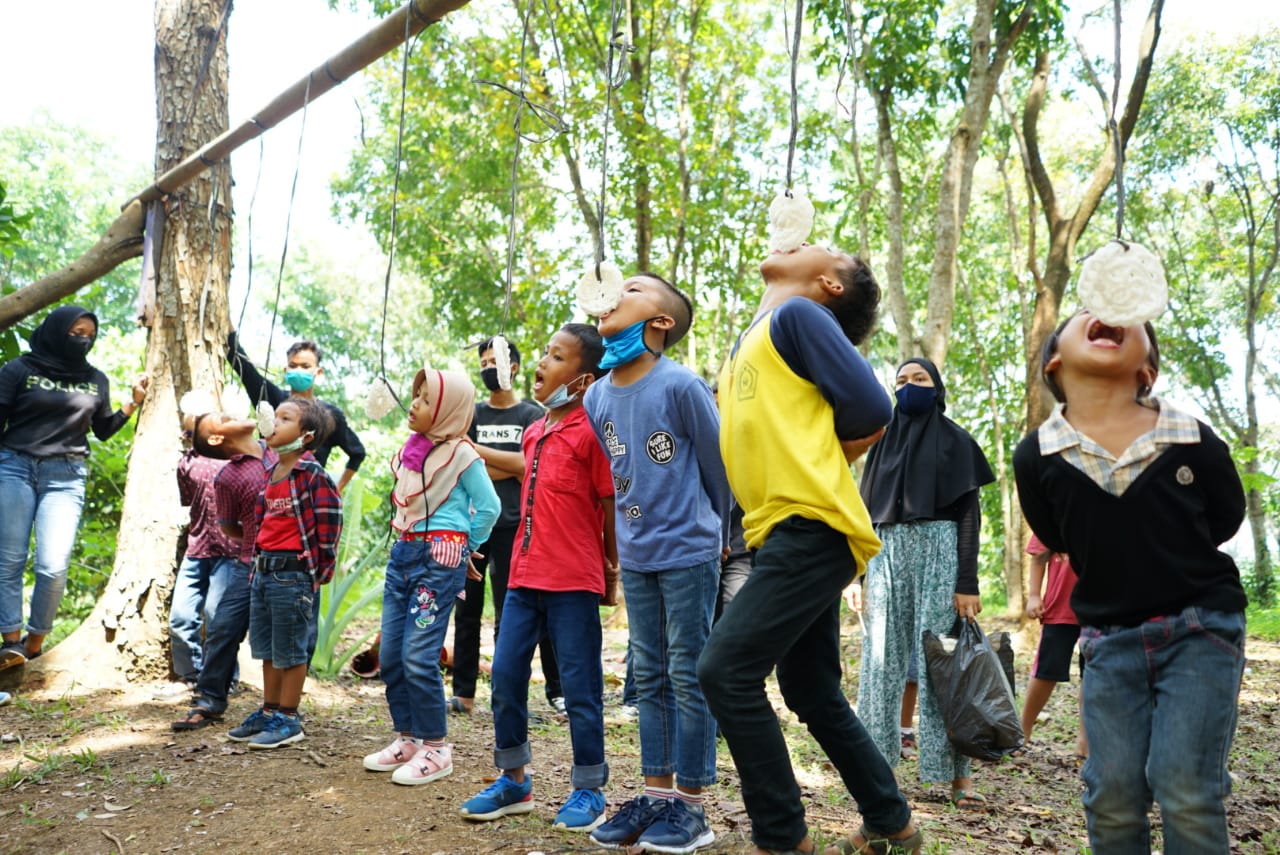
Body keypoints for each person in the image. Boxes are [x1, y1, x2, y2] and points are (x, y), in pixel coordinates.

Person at [699, 244, 921, 855]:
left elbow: (873, 409)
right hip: (783, 530)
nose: (796, 243)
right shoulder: (753, 339)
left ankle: (781, 838)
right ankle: (892, 822)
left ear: (829, 284)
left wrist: (825, 453)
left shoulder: (798, 316)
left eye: (823, 249)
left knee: (724, 671)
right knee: (811, 690)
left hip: (811, 524)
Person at [1014, 309, 1247, 854]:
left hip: (1202, 627)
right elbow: (1056, 534)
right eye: (1084, 314)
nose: (1106, 314)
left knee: (1184, 784)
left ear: (1147, 370)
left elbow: (1225, 515)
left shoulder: (1191, 437)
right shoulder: (1037, 456)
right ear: (1054, 362)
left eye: (1128, 317)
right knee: (1111, 793)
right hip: (1109, 638)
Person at [583, 272, 730, 854]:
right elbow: (620, 475)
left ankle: (692, 807)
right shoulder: (595, 396)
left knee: (688, 672)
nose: (614, 293)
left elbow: (719, 466)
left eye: (633, 289)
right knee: (648, 675)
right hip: (639, 554)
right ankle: (656, 795)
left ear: (661, 322)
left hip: (690, 549)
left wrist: (719, 531)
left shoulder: (682, 385)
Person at [459, 323, 618, 831]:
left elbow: (609, 508)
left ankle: (589, 789)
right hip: (524, 578)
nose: (542, 363)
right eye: (545, 353)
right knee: (506, 676)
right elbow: (521, 473)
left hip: (573, 581)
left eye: (556, 356)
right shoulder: (534, 430)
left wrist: (612, 571)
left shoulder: (593, 434)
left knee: (580, 687)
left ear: (584, 380)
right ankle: (514, 781)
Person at [855, 356, 995, 811]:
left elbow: (969, 517)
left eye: (920, 378)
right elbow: (863, 516)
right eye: (901, 380)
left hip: (940, 550)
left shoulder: (957, 441)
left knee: (942, 662)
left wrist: (967, 581)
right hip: (886, 554)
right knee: (880, 664)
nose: (909, 386)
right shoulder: (880, 444)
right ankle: (876, 773)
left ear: (937, 387)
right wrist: (856, 576)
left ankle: (957, 776)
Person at [362, 368, 499, 785]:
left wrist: (465, 547)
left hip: (438, 561)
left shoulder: (463, 454)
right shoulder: (412, 451)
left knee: (418, 656)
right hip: (403, 554)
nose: (414, 404)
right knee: (391, 655)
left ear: (447, 410)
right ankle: (408, 738)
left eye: (425, 399)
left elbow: (489, 506)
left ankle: (437, 748)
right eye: (416, 395)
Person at [0, 305, 148, 670]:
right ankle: (11, 644)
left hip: (66, 475)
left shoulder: (95, 379)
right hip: (15, 466)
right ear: (56, 330)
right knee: (10, 559)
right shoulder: (19, 369)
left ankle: (36, 644)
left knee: (53, 565)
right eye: (76, 332)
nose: (83, 340)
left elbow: (103, 429)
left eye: (90, 335)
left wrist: (132, 403)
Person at [450, 336, 561, 716]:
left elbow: (527, 466)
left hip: (516, 525)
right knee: (466, 611)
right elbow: (460, 465)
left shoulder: (531, 414)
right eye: (482, 362)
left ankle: (508, 691)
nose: (487, 368)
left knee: (510, 612)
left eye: (492, 361)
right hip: (472, 526)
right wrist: (508, 464)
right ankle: (463, 694)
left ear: (512, 366)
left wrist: (477, 454)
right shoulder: (471, 414)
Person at [226, 398, 342, 749]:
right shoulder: (270, 473)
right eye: (274, 415)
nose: (273, 422)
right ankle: (269, 710)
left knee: (291, 649)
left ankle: (289, 718)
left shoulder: (313, 475)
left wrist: (319, 572)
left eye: (285, 418)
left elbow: (329, 525)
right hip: (264, 572)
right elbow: (262, 526)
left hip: (292, 575)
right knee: (268, 649)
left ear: (306, 435)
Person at [171, 410, 278, 731]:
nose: (229, 413)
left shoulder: (278, 451)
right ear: (217, 438)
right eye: (220, 418)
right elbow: (229, 526)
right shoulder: (228, 476)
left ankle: (283, 708)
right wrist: (255, 540)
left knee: (288, 634)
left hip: (290, 564)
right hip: (248, 562)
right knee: (222, 627)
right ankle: (209, 699)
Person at [226, 330, 365, 493]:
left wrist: (337, 489)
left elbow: (357, 453)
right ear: (286, 370)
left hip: (307, 496)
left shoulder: (329, 415)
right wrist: (230, 331)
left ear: (318, 372)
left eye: (305, 366)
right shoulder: (272, 398)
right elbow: (244, 366)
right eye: (293, 366)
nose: (298, 370)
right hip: (267, 491)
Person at [162, 423, 241, 695]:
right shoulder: (186, 463)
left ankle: (225, 679)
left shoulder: (238, 463)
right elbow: (188, 500)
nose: (186, 438)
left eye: (192, 434)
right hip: (197, 549)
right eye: (186, 434)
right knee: (180, 617)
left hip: (230, 551)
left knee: (218, 616)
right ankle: (191, 676)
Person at [1017, 534, 1087, 759]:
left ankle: (1085, 741)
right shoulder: (1056, 514)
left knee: (1093, 675)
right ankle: (1022, 731)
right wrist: (1034, 595)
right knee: (1046, 671)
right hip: (1060, 607)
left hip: (1100, 608)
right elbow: (1038, 556)